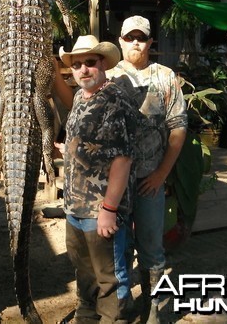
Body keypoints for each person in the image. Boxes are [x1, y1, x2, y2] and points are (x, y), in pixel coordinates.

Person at [55, 35, 141, 324]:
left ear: (102, 63)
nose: (82, 69)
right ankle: (86, 318)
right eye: (77, 64)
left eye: (89, 63)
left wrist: (109, 210)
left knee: (110, 279)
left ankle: (114, 319)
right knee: (84, 274)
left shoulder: (115, 100)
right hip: (75, 207)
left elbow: (122, 159)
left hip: (100, 209)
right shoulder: (80, 96)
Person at [107, 15, 188, 324]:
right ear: (120, 40)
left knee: (152, 247)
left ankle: (152, 307)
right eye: (129, 37)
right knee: (120, 246)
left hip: (148, 181)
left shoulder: (165, 77)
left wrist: (161, 174)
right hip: (115, 184)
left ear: (151, 42)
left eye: (141, 37)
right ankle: (123, 303)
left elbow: (178, 129)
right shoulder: (108, 77)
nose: (135, 42)